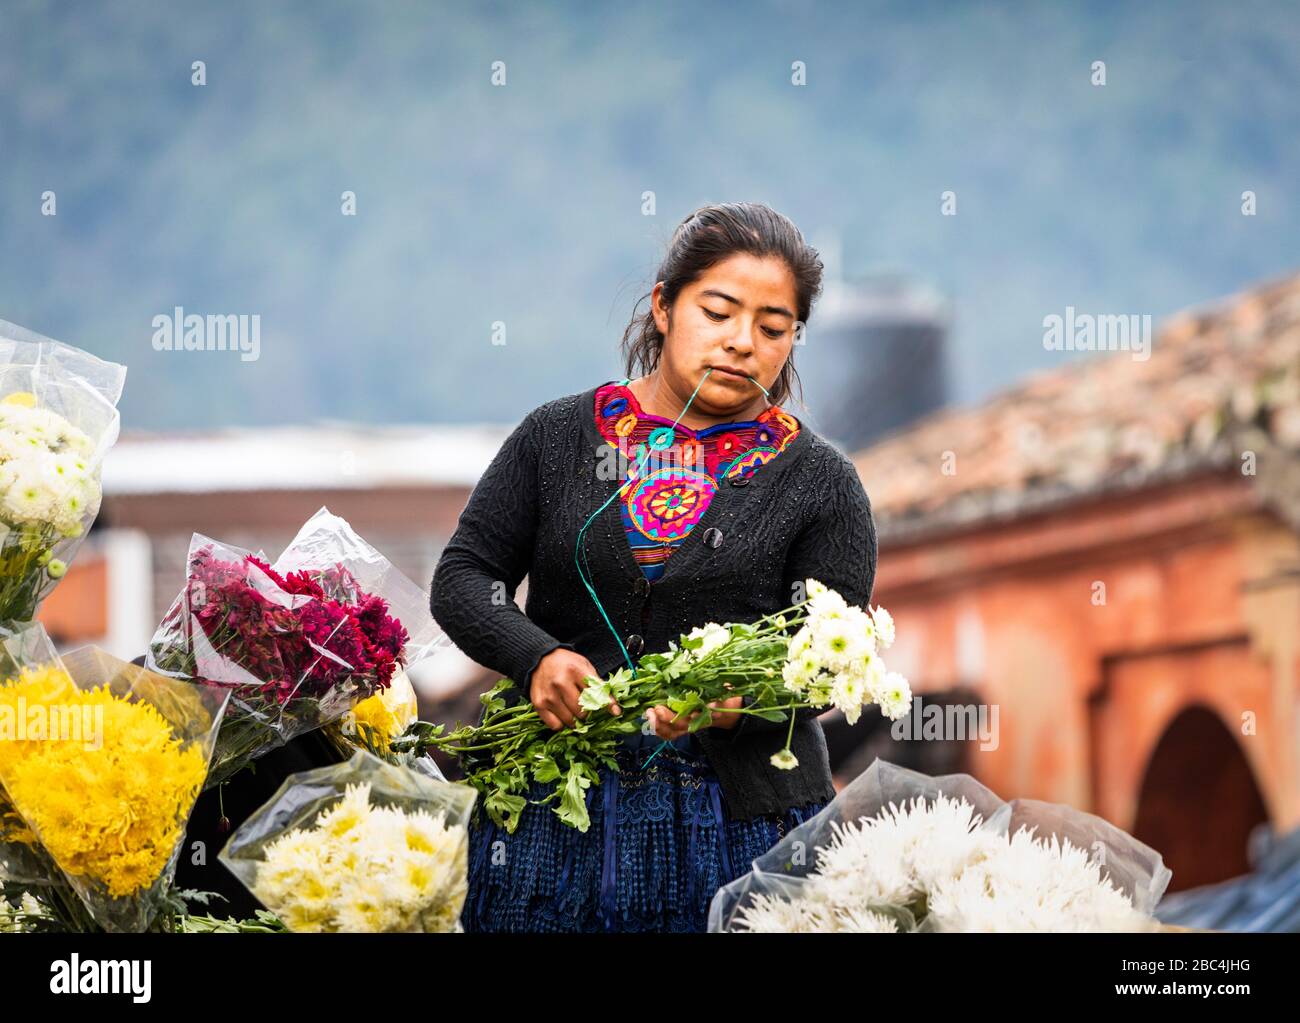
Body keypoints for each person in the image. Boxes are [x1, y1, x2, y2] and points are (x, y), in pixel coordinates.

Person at [429, 201, 878, 932]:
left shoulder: (821, 482)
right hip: (552, 811)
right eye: (719, 312)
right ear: (664, 306)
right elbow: (464, 576)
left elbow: (833, 659)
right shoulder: (557, 438)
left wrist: (735, 702)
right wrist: (537, 657)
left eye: (772, 328)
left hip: (746, 834)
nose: (742, 342)